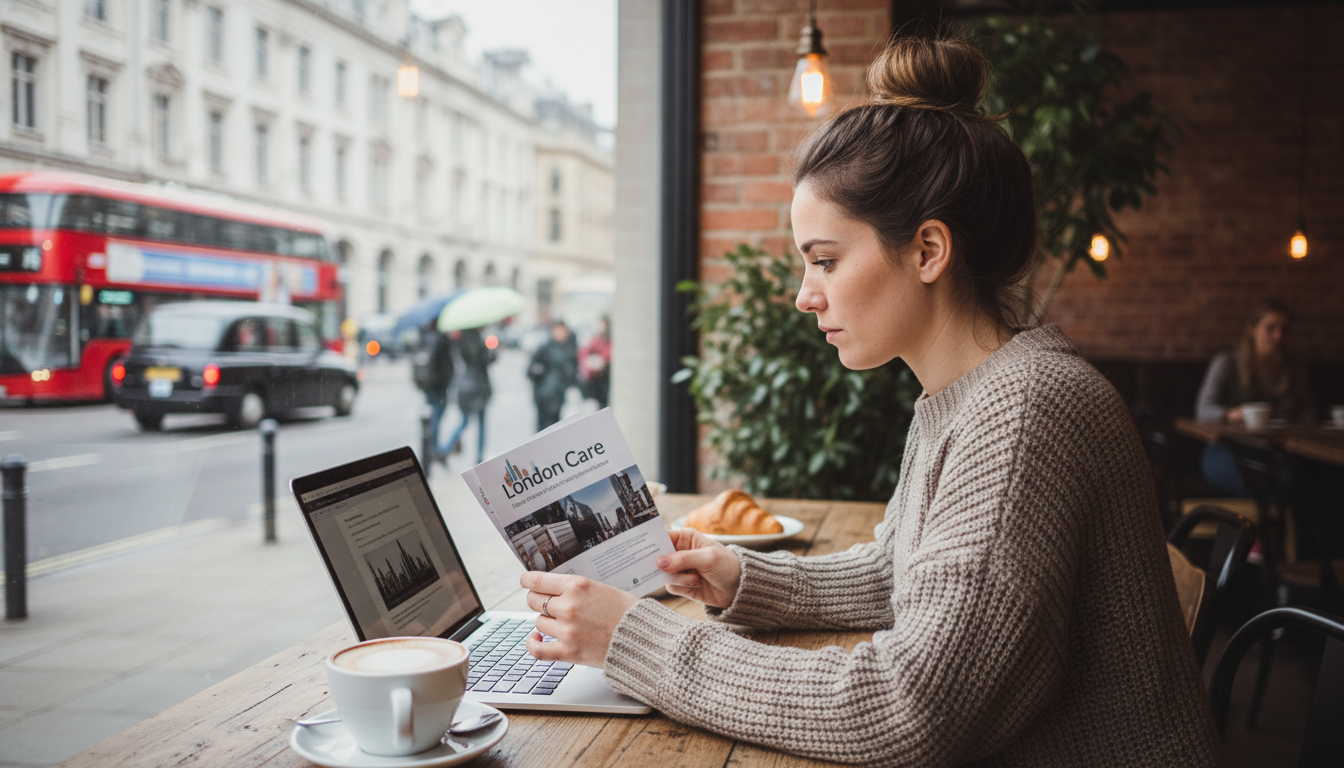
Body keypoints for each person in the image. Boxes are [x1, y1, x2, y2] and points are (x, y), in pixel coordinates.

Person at [515, 36, 1221, 766]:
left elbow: (909, 707)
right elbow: (902, 572)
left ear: (927, 251)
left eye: (824, 259)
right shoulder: (976, 392)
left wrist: (636, 638)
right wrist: (743, 576)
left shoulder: (1025, 414)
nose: (803, 294)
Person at [1195, 299, 1315, 496]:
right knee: (1266, 480)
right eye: (1270, 328)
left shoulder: (1293, 368)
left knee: (1304, 477)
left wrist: (1293, 421)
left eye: (1284, 330)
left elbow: (1309, 413)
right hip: (1228, 450)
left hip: (1277, 451)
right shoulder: (1226, 363)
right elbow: (1203, 411)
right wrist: (1233, 414)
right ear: (1252, 329)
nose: (1278, 336)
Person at [438, 327, 494, 465]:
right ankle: (479, 457)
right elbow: (485, 360)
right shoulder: (478, 341)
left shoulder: (461, 340)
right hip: (479, 386)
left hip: (465, 385)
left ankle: (446, 449)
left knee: (465, 421)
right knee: (480, 423)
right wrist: (491, 351)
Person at [528, 321, 578, 431]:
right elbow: (530, 370)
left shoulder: (570, 347)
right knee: (543, 427)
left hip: (559, 394)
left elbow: (573, 371)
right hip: (544, 394)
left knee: (556, 427)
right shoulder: (544, 348)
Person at [411, 321, 453, 452]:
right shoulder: (441, 337)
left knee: (430, 414)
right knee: (437, 414)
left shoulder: (422, 336)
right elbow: (448, 362)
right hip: (439, 383)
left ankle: (430, 446)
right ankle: (433, 447)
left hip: (426, 382)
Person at [579, 316, 612, 410]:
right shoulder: (594, 339)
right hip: (593, 380)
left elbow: (608, 355)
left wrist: (602, 361)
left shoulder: (609, 340)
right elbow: (583, 353)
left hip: (604, 378)